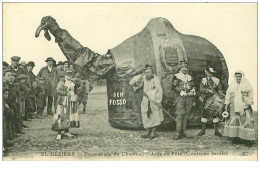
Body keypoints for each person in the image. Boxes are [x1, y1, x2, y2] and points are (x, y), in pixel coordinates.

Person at [129, 64, 164, 140]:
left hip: (154, 100)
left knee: (155, 116)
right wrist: (141, 76)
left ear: (152, 72)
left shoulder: (156, 79)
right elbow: (131, 82)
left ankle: (153, 132)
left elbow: (160, 90)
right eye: (146, 72)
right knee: (145, 115)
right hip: (145, 99)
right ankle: (148, 131)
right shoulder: (143, 78)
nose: (148, 74)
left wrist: (158, 100)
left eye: (149, 72)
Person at [223, 70, 256, 147]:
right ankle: (237, 137)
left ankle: (247, 139)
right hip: (233, 106)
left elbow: (250, 95)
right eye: (237, 76)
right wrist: (226, 104)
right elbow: (228, 94)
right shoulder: (232, 84)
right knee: (235, 121)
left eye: (239, 76)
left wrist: (248, 104)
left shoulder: (247, 85)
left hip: (244, 106)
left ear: (242, 77)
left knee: (246, 121)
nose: (238, 78)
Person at [197, 67, 224, 137]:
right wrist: (208, 91)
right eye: (208, 72)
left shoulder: (217, 80)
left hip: (214, 98)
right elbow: (201, 89)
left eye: (211, 73)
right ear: (206, 72)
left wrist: (221, 93)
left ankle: (216, 131)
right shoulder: (203, 80)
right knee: (204, 114)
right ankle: (203, 131)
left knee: (215, 114)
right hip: (205, 98)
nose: (209, 74)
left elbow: (220, 89)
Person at [172, 65, 195, 140]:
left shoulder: (190, 77)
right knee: (180, 114)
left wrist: (192, 92)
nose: (185, 69)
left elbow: (193, 86)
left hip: (189, 97)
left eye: (186, 68)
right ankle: (177, 132)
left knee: (186, 114)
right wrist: (181, 92)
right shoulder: (176, 76)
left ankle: (184, 131)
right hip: (180, 97)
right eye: (183, 68)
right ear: (180, 69)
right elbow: (174, 86)